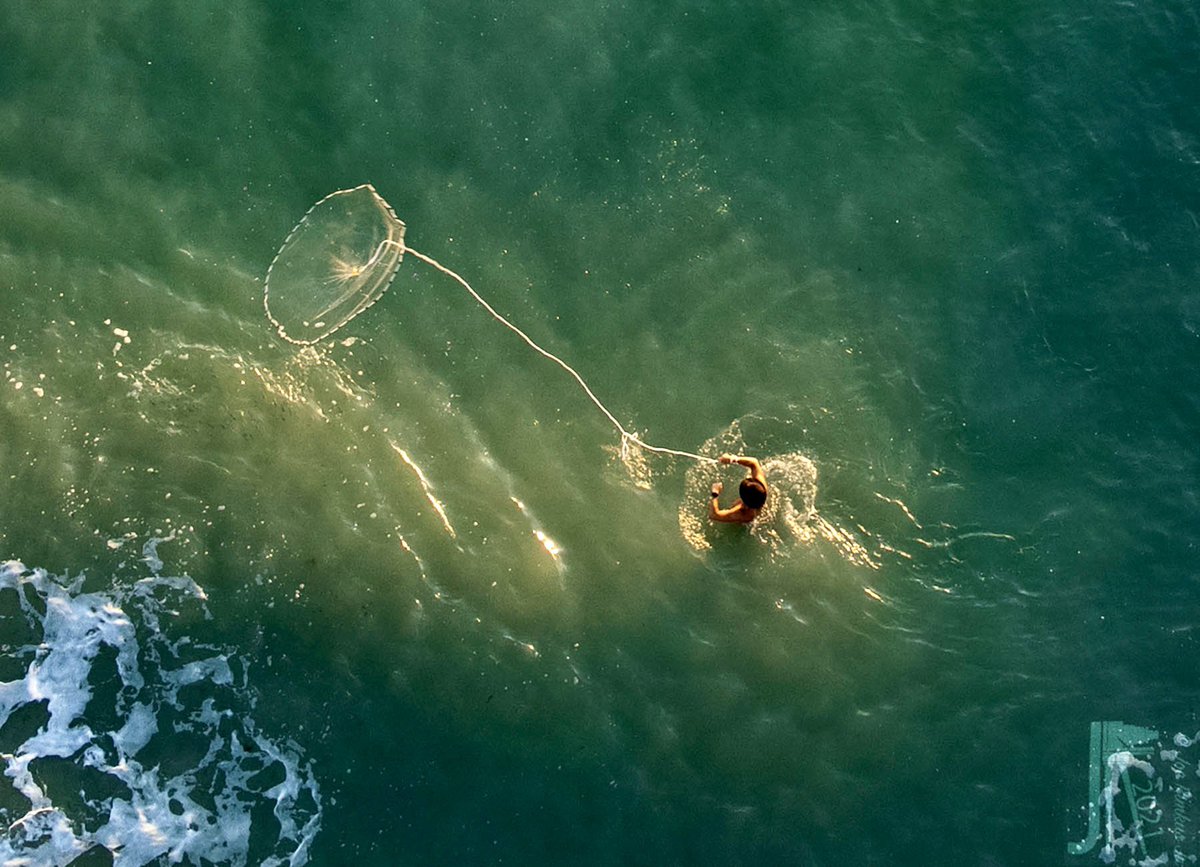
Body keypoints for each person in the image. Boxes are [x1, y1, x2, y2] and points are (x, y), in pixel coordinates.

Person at [709, 453, 768, 524]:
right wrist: (732, 459)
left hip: (744, 521)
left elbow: (714, 515)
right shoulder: (762, 487)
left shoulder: (741, 513)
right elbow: (754, 462)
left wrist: (715, 493)